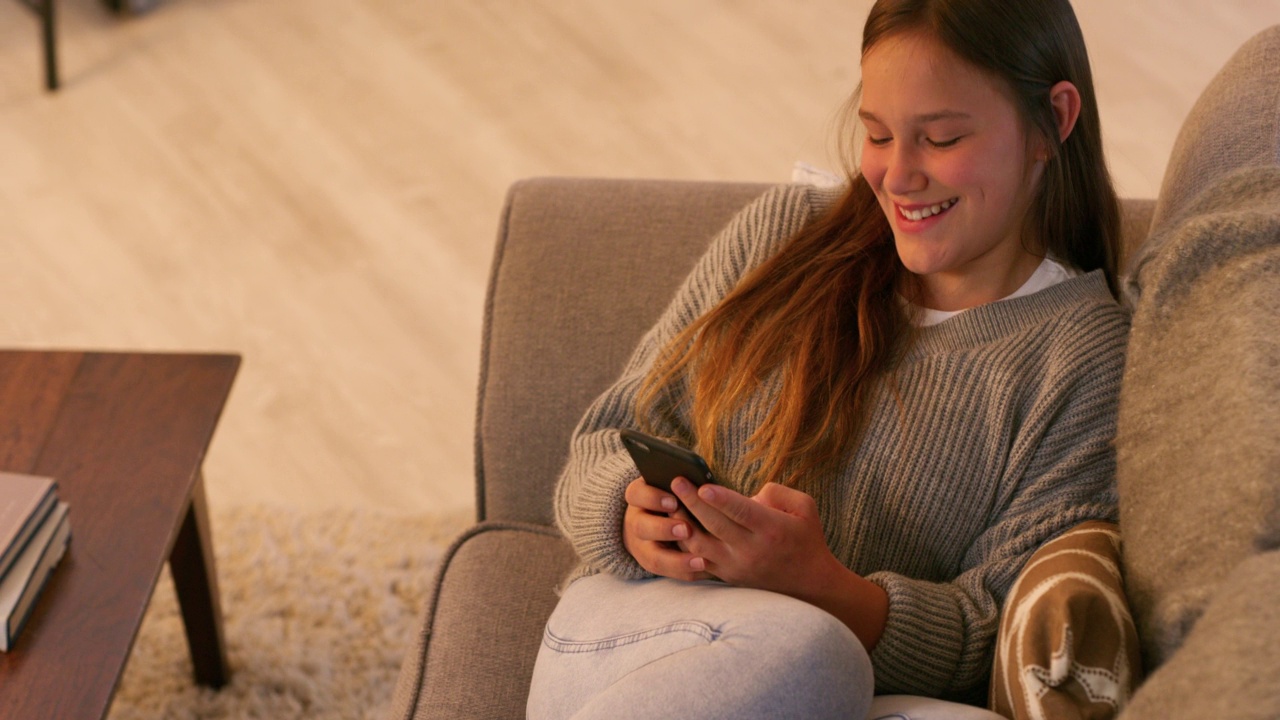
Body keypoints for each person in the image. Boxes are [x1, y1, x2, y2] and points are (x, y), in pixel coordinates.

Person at [528, 0, 1130, 717]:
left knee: (829, 659)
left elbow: (993, 633)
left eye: (940, 139)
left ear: (1054, 122)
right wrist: (630, 516)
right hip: (641, 631)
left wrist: (825, 587)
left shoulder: (1086, 357)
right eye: (877, 135)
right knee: (813, 654)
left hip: (842, 685)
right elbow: (604, 440)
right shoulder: (786, 234)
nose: (897, 177)